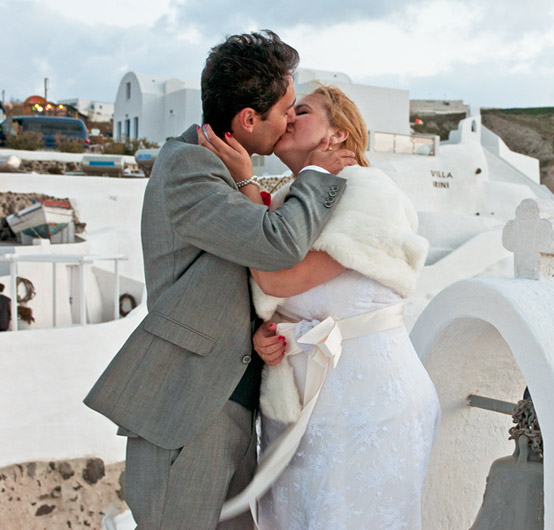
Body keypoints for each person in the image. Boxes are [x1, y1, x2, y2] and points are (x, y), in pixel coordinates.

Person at [84, 31, 355, 529]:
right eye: (286, 109)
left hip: (227, 399)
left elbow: (227, 273)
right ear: (248, 119)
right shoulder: (189, 166)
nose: (292, 119)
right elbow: (276, 245)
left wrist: (253, 330)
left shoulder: (223, 165)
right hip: (187, 410)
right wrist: (316, 174)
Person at [199, 85, 440, 529]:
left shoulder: (368, 191)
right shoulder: (298, 197)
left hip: (367, 406)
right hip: (304, 414)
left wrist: (246, 184)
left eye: (302, 111)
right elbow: (278, 298)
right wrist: (266, 334)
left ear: (339, 135)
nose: (287, 118)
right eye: (287, 110)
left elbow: (277, 275)